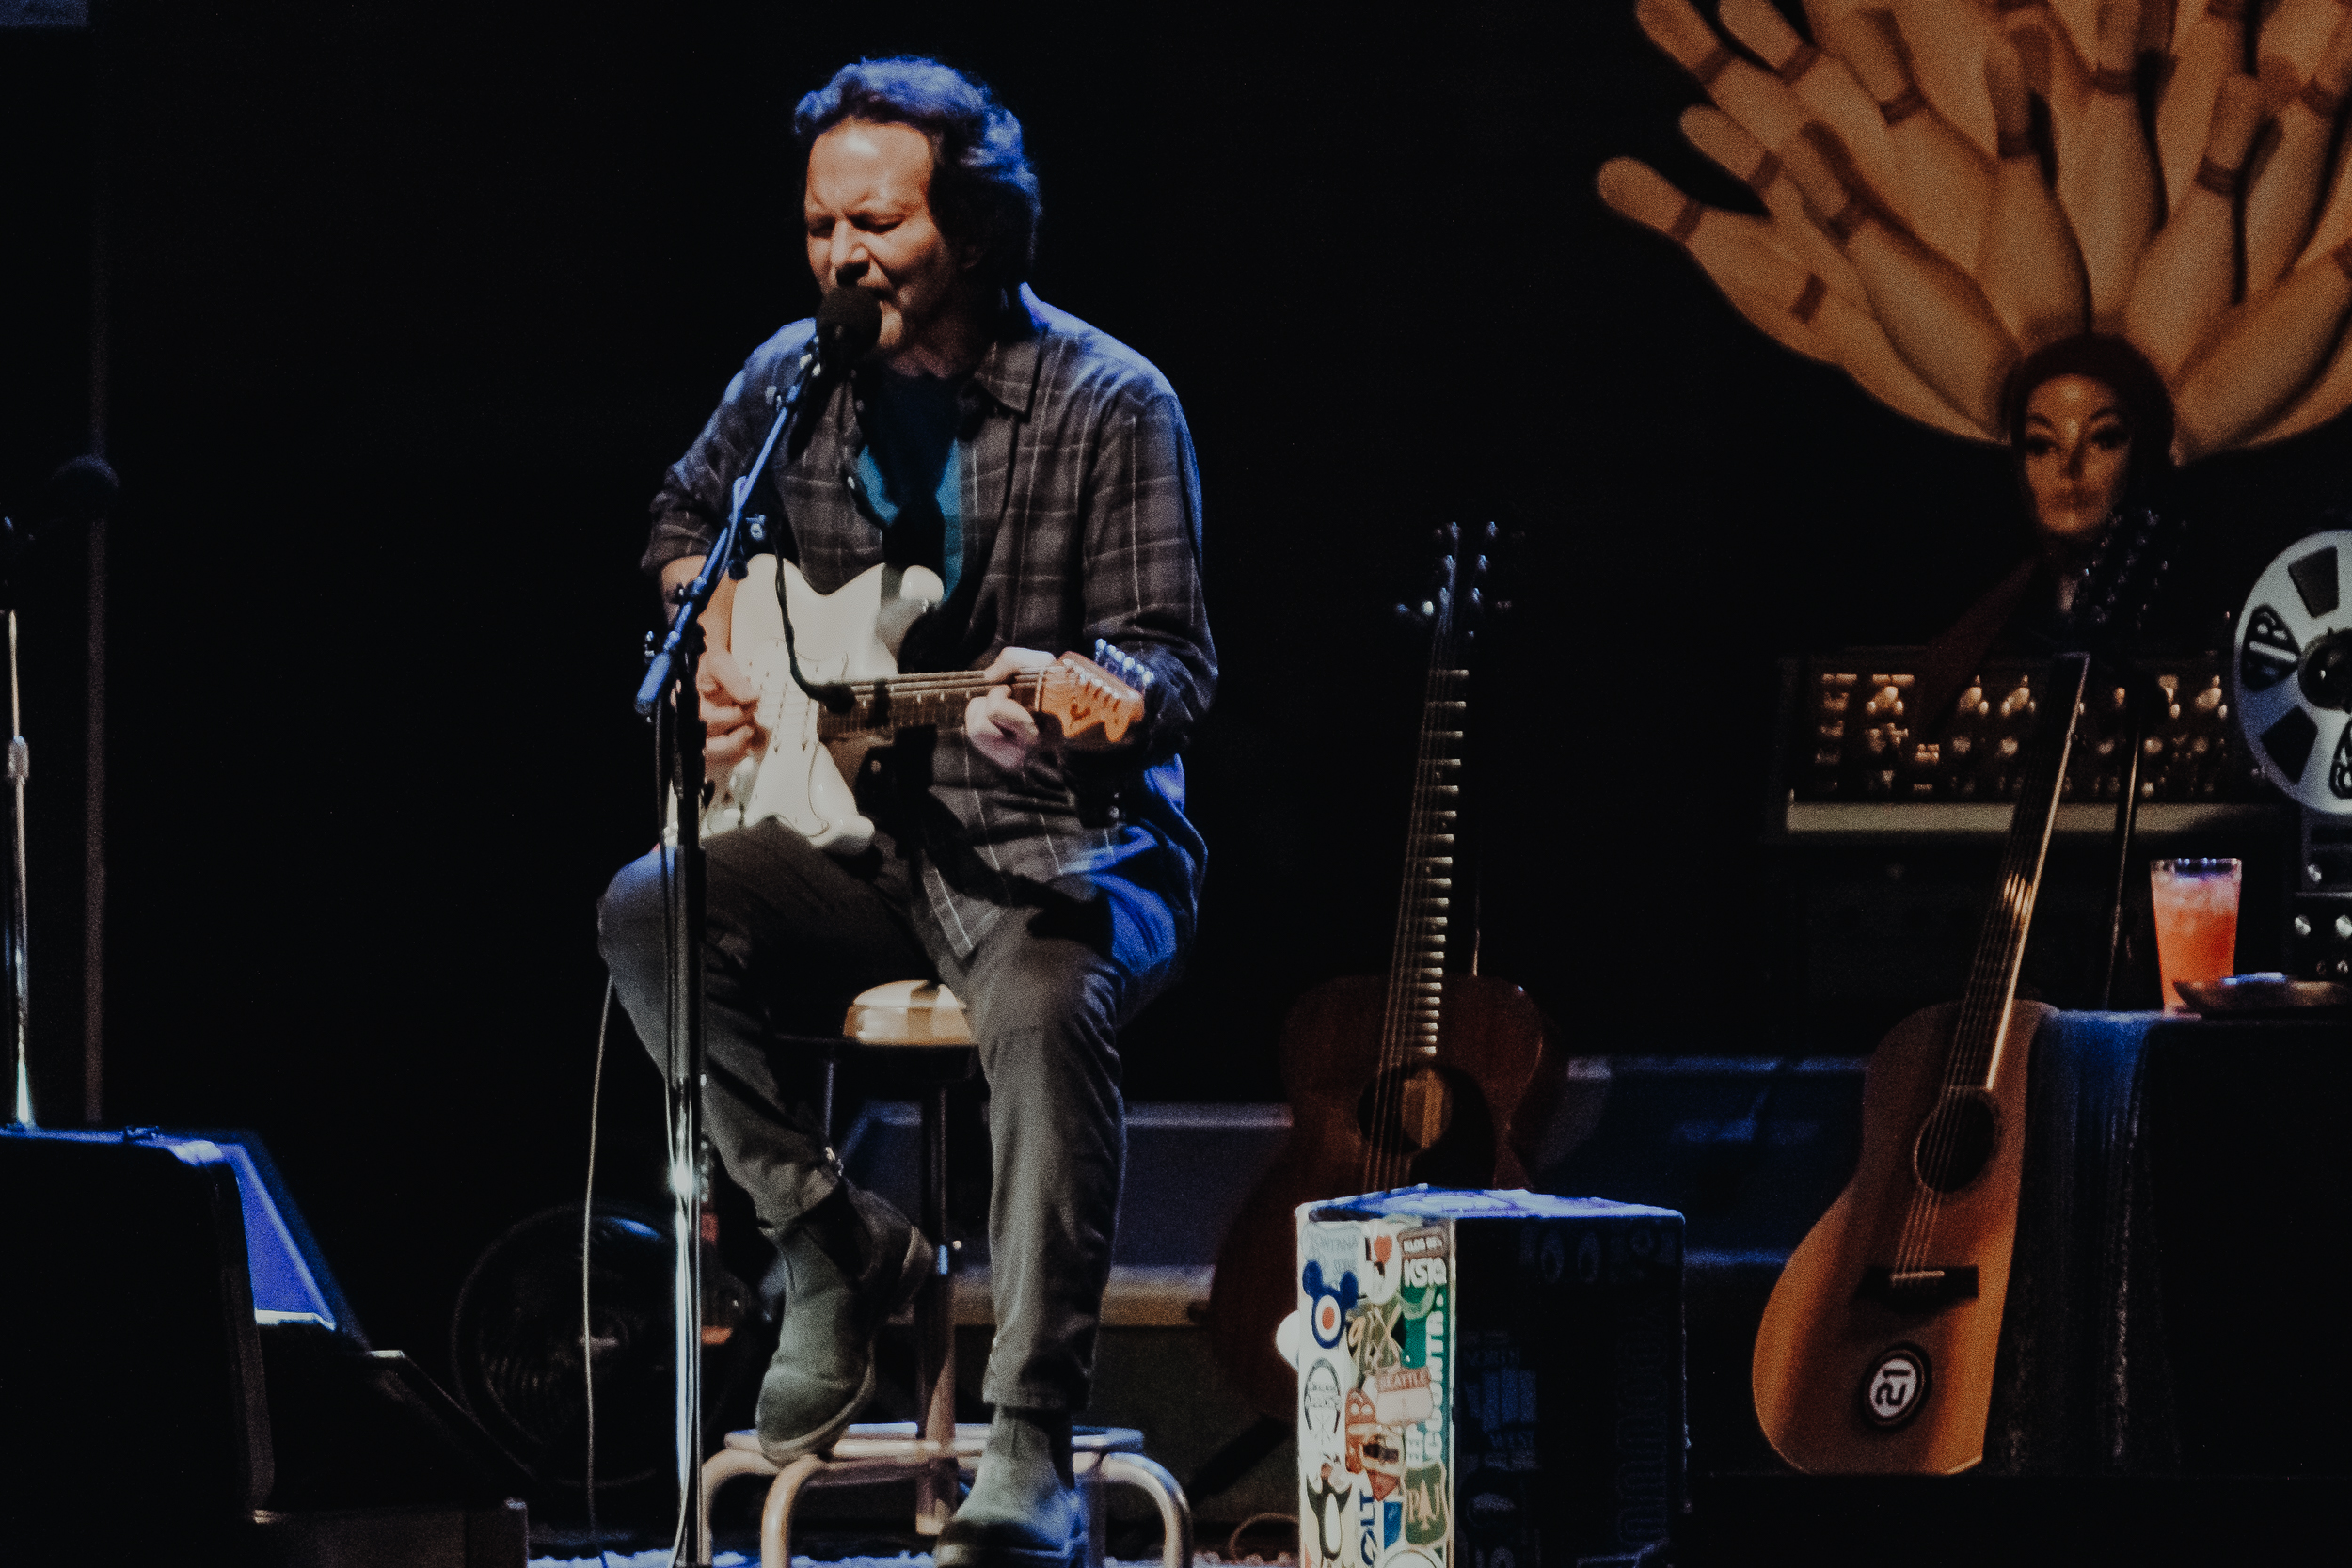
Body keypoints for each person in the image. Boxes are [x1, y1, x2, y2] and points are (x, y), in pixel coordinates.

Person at [596, 56, 1214, 1567]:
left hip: (1057, 838)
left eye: (875, 223)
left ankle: (1031, 1439)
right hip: (858, 842)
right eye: (820, 225)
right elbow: (681, 522)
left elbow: (1170, 665)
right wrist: (715, 647)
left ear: (978, 232)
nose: (842, 257)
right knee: (647, 905)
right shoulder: (789, 380)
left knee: (1047, 1001)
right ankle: (830, 1239)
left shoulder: (1110, 400)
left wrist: (1081, 696)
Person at [1914, 334, 2175, 736]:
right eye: (2041, 445)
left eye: (2104, 439)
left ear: (2143, 453)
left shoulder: (2190, 610)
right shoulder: (1983, 622)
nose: (2069, 468)